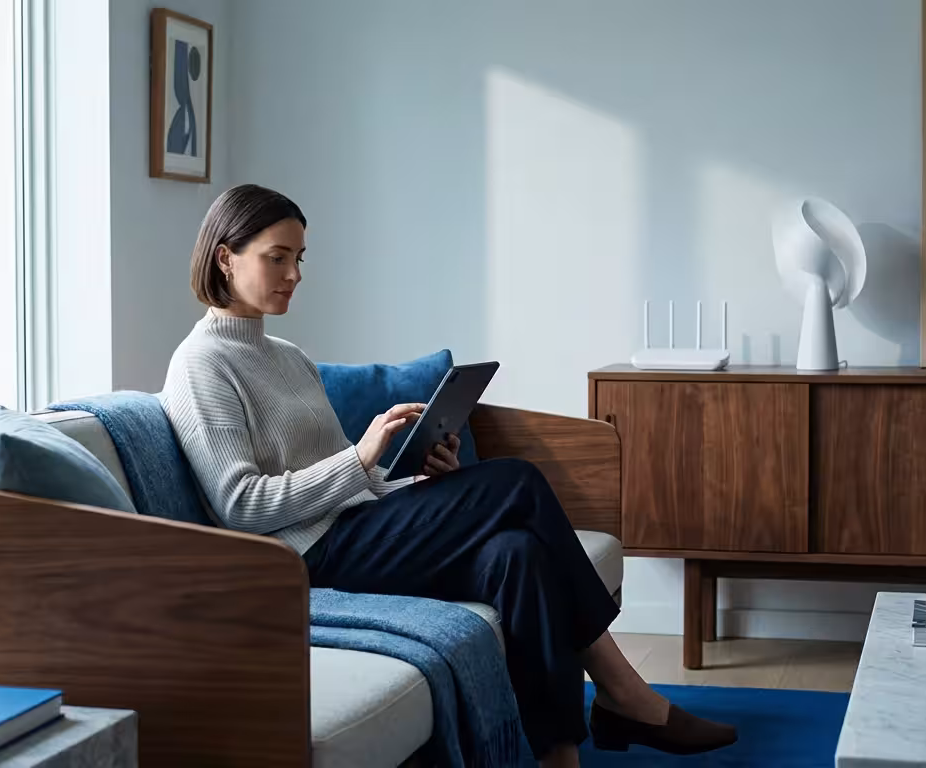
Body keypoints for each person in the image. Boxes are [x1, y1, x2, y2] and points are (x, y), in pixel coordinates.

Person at [162, 184, 738, 767]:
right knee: (516, 481)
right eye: (277, 257)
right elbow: (240, 506)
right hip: (303, 557)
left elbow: (349, 484)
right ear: (224, 257)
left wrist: (416, 484)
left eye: (299, 257)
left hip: (356, 527)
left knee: (518, 555)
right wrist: (361, 459)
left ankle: (559, 757)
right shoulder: (200, 365)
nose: (294, 273)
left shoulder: (288, 356)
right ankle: (625, 694)